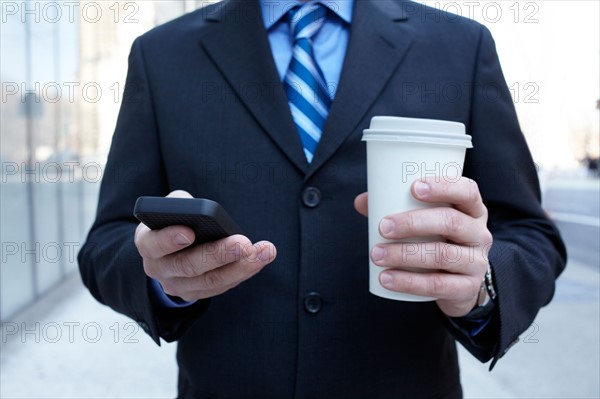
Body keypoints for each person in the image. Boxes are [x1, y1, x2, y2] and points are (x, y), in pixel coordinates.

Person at [78, 0, 567, 397]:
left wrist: (478, 284)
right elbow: (107, 243)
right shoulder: (162, 55)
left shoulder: (459, 47)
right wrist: (165, 278)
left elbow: (530, 235)